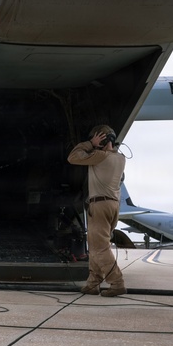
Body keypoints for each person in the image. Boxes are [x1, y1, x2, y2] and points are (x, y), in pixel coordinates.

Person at [67, 125, 127, 296]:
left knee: (99, 248)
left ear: (103, 140)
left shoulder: (100, 156)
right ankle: (93, 283)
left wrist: (89, 143)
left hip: (99, 205)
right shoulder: (121, 159)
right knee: (96, 245)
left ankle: (117, 283)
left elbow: (73, 157)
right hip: (113, 205)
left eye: (98, 139)